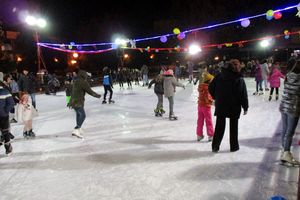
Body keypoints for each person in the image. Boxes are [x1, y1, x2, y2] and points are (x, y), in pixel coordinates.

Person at [209, 59, 248, 152]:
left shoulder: (219, 76)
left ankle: (215, 146)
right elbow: (243, 95)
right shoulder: (239, 79)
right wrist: (245, 107)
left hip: (221, 104)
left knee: (219, 125)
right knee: (234, 126)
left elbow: (210, 87)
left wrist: (216, 97)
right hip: (234, 106)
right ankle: (234, 147)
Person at [279, 57, 300, 166]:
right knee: (290, 132)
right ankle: (286, 153)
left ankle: (284, 151)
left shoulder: (288, 75)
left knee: (285, 130)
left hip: (284, 106)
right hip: (293, 108)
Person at [69, 69, 101, 138]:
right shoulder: (83, 82)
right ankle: (76, 129)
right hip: (78, 101)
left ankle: (79, 128)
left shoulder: (76, 81)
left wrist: (70, 102)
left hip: (73, 102)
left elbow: (73, 92)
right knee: (83, 116)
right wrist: (98, 96)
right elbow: (90, 91)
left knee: (78, 115)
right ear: (84, 75)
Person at [196, 71, 214, 142]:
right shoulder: (207, 88)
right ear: (209, 81)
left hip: (200, 106)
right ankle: (210, 135)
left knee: (200, 120)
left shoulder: (201, 86)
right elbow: (208, 98)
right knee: (208, 121)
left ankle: (199, 135)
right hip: (206, 107)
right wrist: (213, 103)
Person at [0, 82, 15, 155]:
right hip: (4, 115)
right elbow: (11, 103)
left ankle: (8, 148)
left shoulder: (5, 91)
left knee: (5, 132)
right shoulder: (5, 91)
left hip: (3, 116)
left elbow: (11, 103)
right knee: (5, 132)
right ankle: (8, 148)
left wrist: (5, 111)